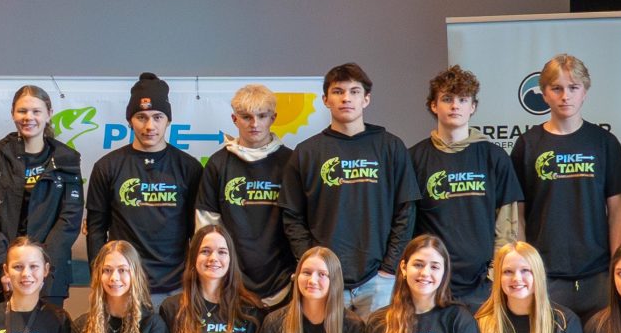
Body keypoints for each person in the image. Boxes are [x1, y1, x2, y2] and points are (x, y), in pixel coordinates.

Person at [284, 63, 417, 314]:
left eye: (354, 91)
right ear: (325, 100)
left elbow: (406, 210)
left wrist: (389, 268)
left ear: (366, 99)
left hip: (379, 280)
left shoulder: (391, 147)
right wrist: (313, 265)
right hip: (325, 279)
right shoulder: (307, 152)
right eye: (338, 91)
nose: (346, 98)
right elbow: (292, 217)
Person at [510, 54, 621, 319]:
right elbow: (518, 214)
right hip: (546, 273)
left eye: (573, 88)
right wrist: (524, 265)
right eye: (557, 88)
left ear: (585, 93)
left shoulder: (604, 142)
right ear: (544, 94)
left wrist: (616, 265)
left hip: (597, 274)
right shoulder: (527, 145)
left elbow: (617, 212)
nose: (565, 96)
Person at [0, 85, 85, 310]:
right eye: (22, 111)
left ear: (49, 113)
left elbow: (69, 220)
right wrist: (6, 267)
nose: (29, 117)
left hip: (48, 274)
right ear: (12, 114)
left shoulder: (67, 158)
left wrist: (38, 269)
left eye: (36, 111)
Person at [84, 74, 203, 307]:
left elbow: (197, 231)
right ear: (130, 121)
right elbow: (96, 230)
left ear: (168, 120)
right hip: (124, 285)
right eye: (141, 117)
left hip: (176, 288)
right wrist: (101, 276)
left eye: (158, 117)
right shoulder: (107, 166)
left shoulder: (189, 167)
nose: (150, 126)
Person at [411, 66, 522, 307]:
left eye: (463, 99)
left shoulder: (494, 156)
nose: (455, 106)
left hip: (481, 284)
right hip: (430, 282)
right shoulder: (414, 159)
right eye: (447, 99)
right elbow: (406, 223)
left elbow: (507, 223)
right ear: (433, 105)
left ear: (472, 107)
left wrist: (497, 272)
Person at [198, 83, 296, 307]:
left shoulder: (291, 162)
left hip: (284, 280)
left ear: (273, 118)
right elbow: (206, 227)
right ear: (234, 119)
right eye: (246, 117)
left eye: (262, 116)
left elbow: (300, 222)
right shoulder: (218, 164)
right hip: (231, 282)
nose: (254, 124)